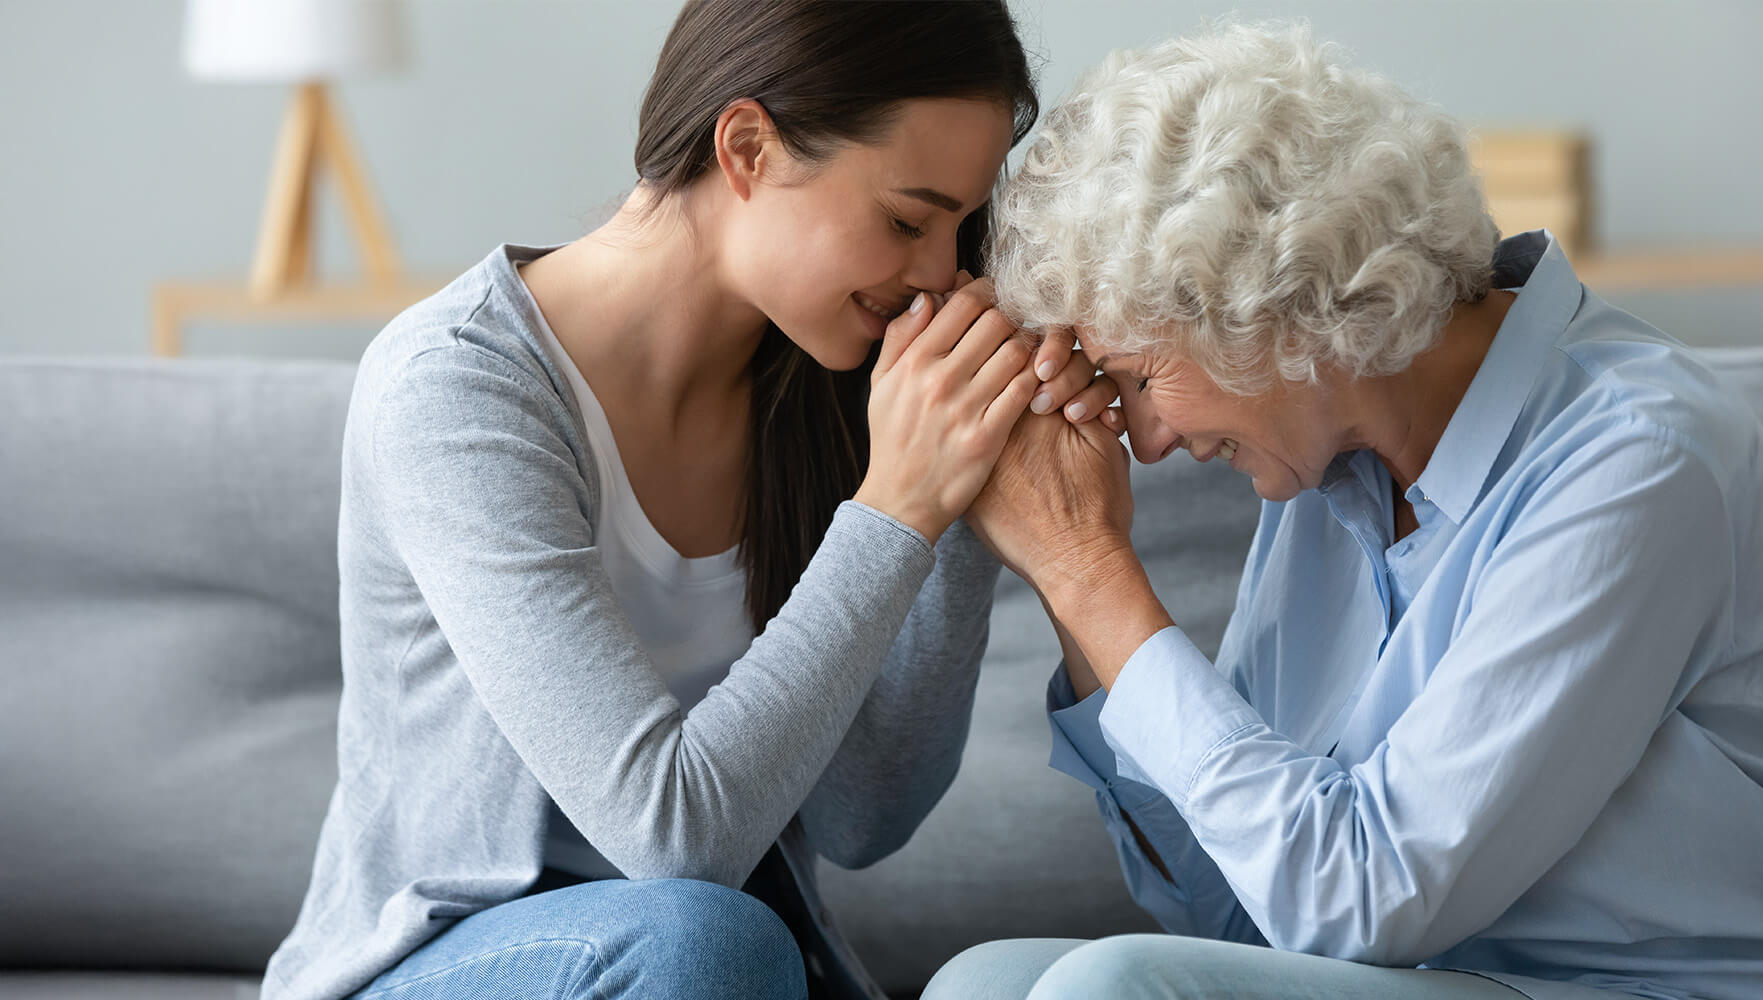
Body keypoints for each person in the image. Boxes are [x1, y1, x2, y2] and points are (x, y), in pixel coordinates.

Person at [931, 21, 1763, 1000]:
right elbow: (1234, 914)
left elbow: (1360, 901)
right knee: (986, 983)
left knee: (1112, 985)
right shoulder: (1324, 474)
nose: (1141, 442)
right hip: (1460, 980)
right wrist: (1075, 580)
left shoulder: (1638, 457)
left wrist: (1089, 571)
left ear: (1271, 308)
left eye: (1137, 378)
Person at [261, 3, 1122, 999]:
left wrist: (969, 477)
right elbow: (673, 838)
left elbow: (864, 817)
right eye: (904, 218)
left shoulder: (836, 380)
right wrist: (899, 506)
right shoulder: (456, 389)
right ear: (747, 147)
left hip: (708, 965)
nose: (937, 273)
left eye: (958, 229)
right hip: (448, 963)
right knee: (706, 939)